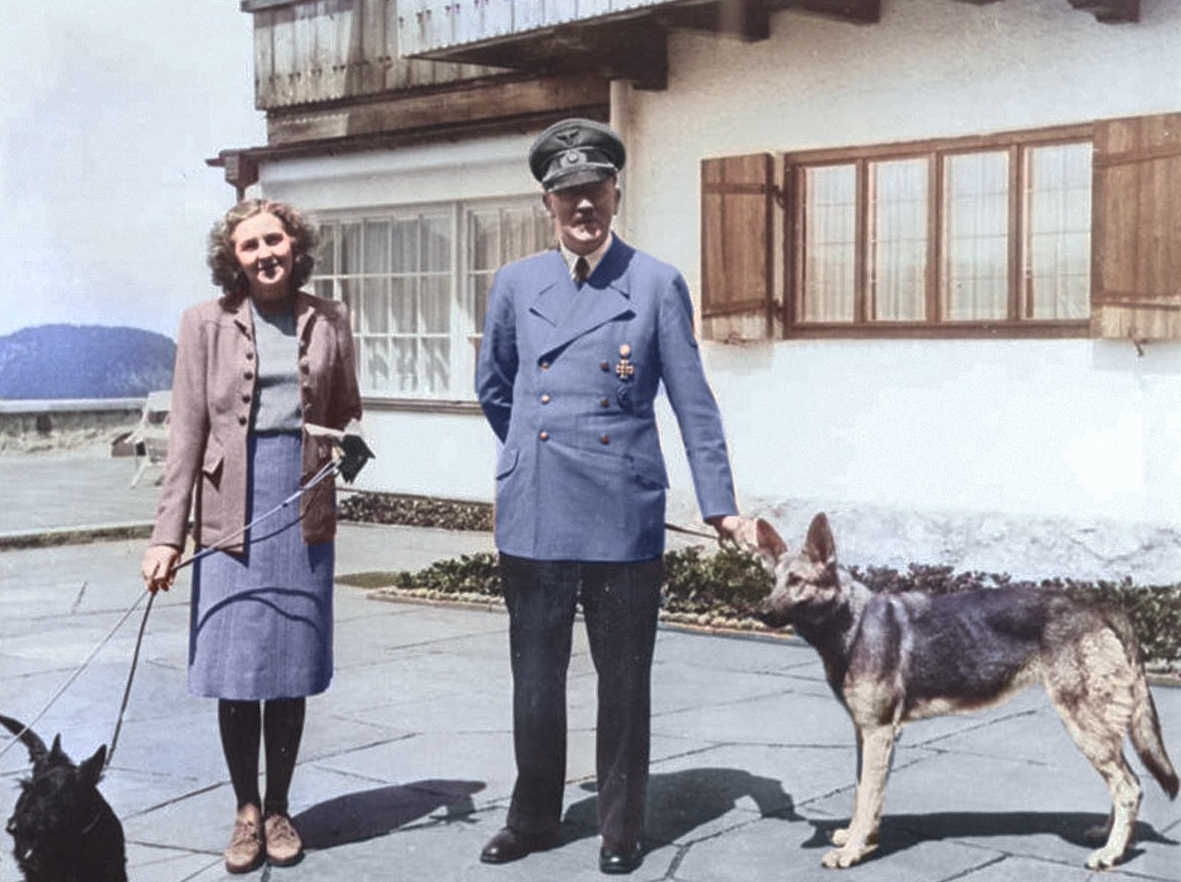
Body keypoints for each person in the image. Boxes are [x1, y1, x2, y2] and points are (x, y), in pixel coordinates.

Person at [475, 118, 744, 875]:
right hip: (535, 507)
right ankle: (531, 820)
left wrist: (717, 502)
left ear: (615, 192)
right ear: (546, 204)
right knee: (535, 680)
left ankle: (620, 828)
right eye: (567, 196)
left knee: (623, 682)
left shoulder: (654, 282)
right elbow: (495, 387)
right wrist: (530, 450)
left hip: (622, 512)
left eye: (594, 191)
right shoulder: (515, 283)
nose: (582, 207)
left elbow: (693, 404)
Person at [140, 199, 361, 874]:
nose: (265, 253)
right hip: (226, 504)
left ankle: (279, 808)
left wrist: (347, 446)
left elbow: (346, 405)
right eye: (249, 245)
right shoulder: (201, 324)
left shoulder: (330, 318)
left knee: (288, 663)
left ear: (295, 245)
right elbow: (185, 436)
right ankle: (243, 811)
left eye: (275, 239)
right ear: (230, 257)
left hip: (300, 501)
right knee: (237, 669)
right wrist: (165, 537)